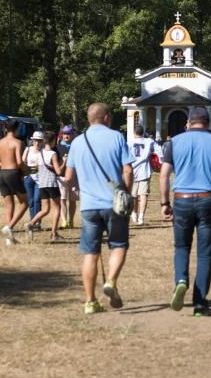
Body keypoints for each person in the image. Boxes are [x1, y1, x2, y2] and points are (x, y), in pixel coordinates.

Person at [159, 107, 211, 316]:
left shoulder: (174, 143)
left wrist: (164, 203)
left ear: (188, 123)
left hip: (182, 200)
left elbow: (164, 175)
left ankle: (181, 280)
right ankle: (200, 304)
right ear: (208, 123)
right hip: (208, 199)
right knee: (205, 254)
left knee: (181, 247)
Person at [61, 104, 133, 314]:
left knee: (90, 253)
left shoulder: (77, 142)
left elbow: (68, 177)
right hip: (113, 203)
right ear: (107, 117)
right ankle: (110, 281)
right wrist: (126, 193)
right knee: (118, 245)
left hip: (89, 206)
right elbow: (127, 170)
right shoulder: (116, 137)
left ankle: (90, 301)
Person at [25, 131, 65, 241]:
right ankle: (54, 233)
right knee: (57, 207)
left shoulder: (39, 153)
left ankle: (31, 223)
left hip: (42, 184)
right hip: (51, 183)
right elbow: (58, 171)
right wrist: (65, 162)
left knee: (45, 209)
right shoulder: (53, 154)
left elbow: (37, 168)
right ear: (53, 141)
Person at [0, 119, 28, 245]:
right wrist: (27, 170)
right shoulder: (18, 142)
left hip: (2, 174)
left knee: (9, 205)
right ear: (16, 129)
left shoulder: (0, 142)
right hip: (13, 173)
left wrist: (6, 163)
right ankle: (9, 227)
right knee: (25, 203)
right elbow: (19, 162)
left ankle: (10, 239)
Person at [128, 124, 158, 226]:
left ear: (134, 132)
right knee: (143, 195)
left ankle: (134, 213)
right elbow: (159, 152)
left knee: (133, 195)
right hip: (144, 171)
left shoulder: (129, 143)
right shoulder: (149, 141)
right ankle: (141, 217)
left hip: (132, 171)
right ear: (143, 132)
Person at [57, 125, 78, 228]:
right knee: (62, 199)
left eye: (68, 133)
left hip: (74, 177)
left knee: (73, 200)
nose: (66, 135)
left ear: (72, 134)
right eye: (65, 133)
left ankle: (71, 221)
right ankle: (64, 220)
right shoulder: (58, 147)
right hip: (61, 177)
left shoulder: (76, 146)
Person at [22, 132, 45, 229]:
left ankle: (37, 222)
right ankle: (32, 221)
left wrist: (32, 168)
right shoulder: (28, 149)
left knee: (37, 200)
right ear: (33, 141)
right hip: (29, 178)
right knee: (30, 201)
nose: (37, 143)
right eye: (35, 140)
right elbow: (22, 162)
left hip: (40, 179)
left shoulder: (44, 152)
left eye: (39, 141)